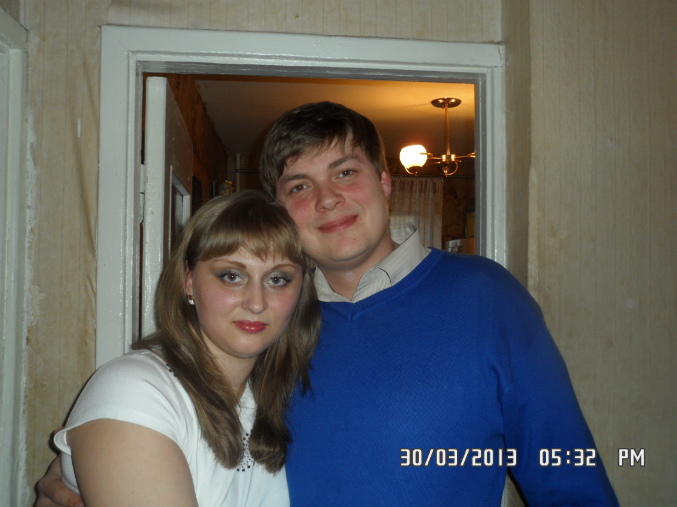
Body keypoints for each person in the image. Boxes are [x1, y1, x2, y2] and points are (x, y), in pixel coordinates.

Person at [38, 102, 618, 506]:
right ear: (279, 210)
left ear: (384, 181)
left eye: (345, 171)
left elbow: (567, 473)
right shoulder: (266, 328)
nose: (327, 199)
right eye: (299, 186)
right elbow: (161, 418)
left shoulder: (487, 298)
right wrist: (73, 474)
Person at [45, 191, 321, 506]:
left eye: (277, 279)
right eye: (232, 276)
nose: (256, 302)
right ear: (189, 281)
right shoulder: (136, 391)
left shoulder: (273, 394)